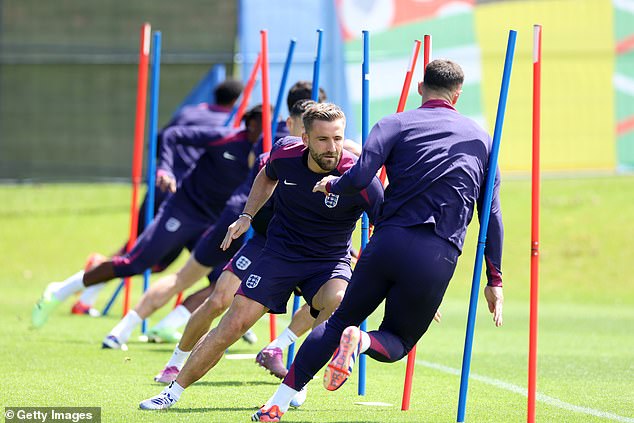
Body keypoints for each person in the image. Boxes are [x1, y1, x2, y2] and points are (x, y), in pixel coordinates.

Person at [251, 59, 505, 422]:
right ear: (458, 94)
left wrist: (333, 184)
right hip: (437, 254)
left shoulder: (394, 123)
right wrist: (493, 279)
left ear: (420, 88)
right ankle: (363, 341)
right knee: (397, 340)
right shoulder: (483, 139)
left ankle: (275, 404)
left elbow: (360, 174)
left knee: (336, 323)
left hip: (386, 241)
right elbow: (491, 216)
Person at [138, 102, 384, 411]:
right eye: (322, 139)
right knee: (232, 324)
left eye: (337, 138)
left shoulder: (359, 177)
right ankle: (172, 392)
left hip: (328, 262)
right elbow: (266, 176)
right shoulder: (285, 155)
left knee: (338, 299)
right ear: (305, 139)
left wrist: (396, 278)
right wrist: (247, 216)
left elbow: (386, 224)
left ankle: (296, 381)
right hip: (279, 255)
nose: (332, 147)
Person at [31, 105, 264, 329]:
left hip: (214, 222)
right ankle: (60, 291)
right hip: (184, 211)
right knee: (136, 263)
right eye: (268, 126)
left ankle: (165, 326)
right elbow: (171, 135)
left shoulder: (268, 155)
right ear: (253, 124)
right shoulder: (226, 138)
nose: (274, 132)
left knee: (224, 277)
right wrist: (165, 169)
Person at [70, 79, 244, 316]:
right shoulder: (228, 127)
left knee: (140, 254)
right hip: (189, 199)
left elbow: (163, 140)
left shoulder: (189, 112)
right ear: (236, 100)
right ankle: (93, 282)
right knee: (156, 261)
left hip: (162, 188)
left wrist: (166, 168)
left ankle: (88, 294)